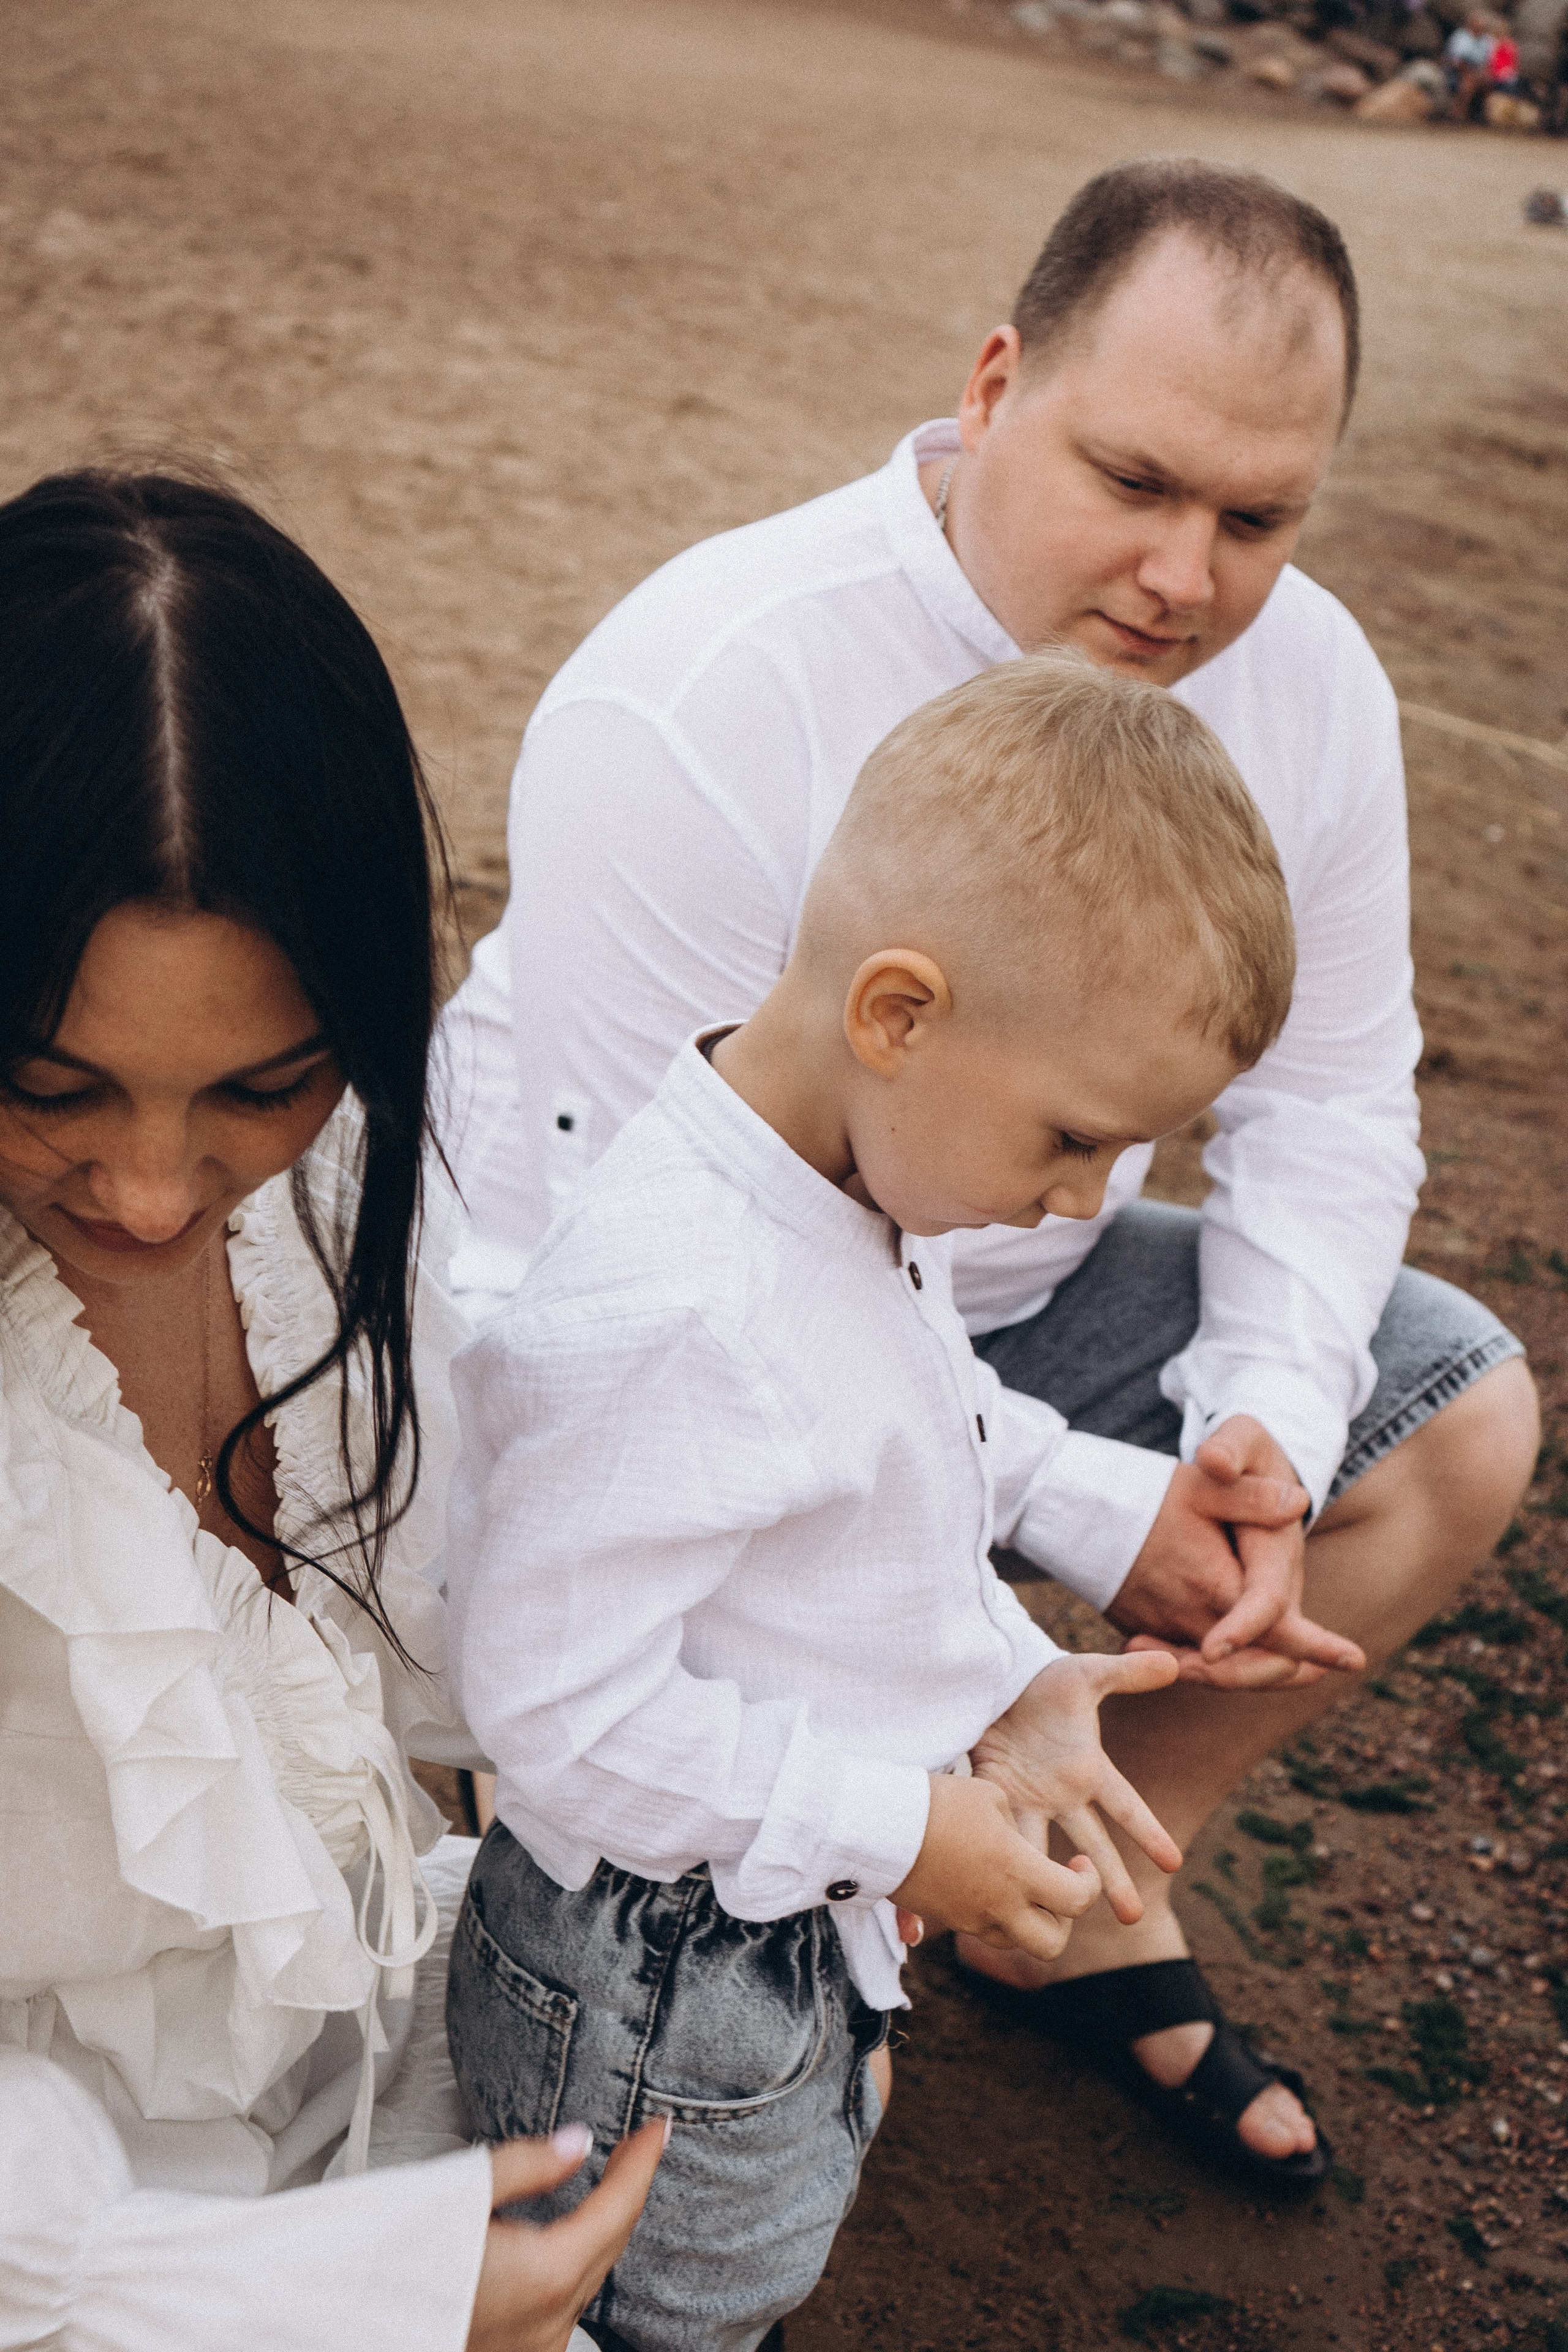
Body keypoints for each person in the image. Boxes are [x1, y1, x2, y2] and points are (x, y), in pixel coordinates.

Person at [438, 157, 1539, 2187]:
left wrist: (1251, 1442)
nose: (1187, 578)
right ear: (997, 380)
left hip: (998, 1312)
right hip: (668, 1351)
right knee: (658, 2025)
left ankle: (1073, 1876)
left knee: (1451, 1418)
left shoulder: (1311, 688)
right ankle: (882, 1876)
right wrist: (992, 1627)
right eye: (1135, 479)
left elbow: (1334, 1103)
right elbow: (665, 1302)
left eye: (1259, 519)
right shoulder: (711, 690)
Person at [442, 654, 1311, 2352]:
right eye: (1075, 1138)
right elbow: (549, 1711)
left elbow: (910, 1442)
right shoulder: (682, 1311)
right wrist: (906, 1830)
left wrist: (1001, 1680)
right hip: (662, 1969)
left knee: (746, 2265)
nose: (1083, 1198)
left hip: (777, 1900)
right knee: (648, 2313)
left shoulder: (840, 1183)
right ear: (898, 1014)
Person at [0, 469, 663, 2352]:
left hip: (368, 2127)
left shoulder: (343, 1180)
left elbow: (443, 1639)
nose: (148, 1186)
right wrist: (319, 2293)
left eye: (256, 1079)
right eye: (51, 1083)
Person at [1445, 9, 1497, 106]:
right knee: (1468, 84)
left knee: (1488, 82)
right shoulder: (1460, 37)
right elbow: (1456, 61)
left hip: (1480, 71)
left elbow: (1491, 60)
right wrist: (1470, 73)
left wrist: (1483, 72)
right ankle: (1459, 111)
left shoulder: (1488, 40)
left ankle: (1483, 111)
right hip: (1460, 71)